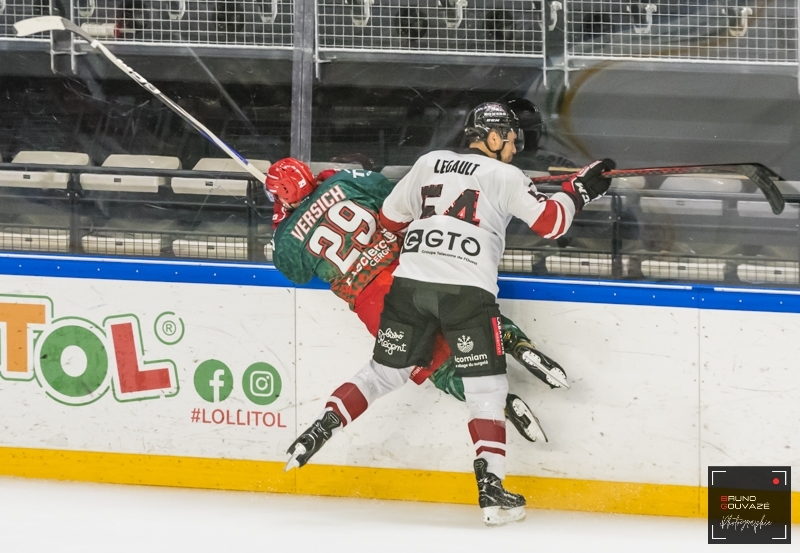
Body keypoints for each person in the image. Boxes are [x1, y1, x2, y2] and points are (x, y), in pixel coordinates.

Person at [283, 102, 615, 526]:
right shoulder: (507, 175)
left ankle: (321, 427)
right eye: (512, 140)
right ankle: (491, 493)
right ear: (492, 138)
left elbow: (389, 217)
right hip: (466, 294)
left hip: (410, 287)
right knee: (487, 392)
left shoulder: (429, 162)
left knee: (383, 374)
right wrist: (581, 190)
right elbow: (552, 223)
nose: (514, 149)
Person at [265, 159, 567, 446]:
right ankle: (519, 346)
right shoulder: (345, 182)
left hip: (375, 305)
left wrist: (283, 219)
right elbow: (389, 194)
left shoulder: (288, 240)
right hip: (413, 271)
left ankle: (506, 404)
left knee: (440, 366)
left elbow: (296, 272)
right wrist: (330, 181)